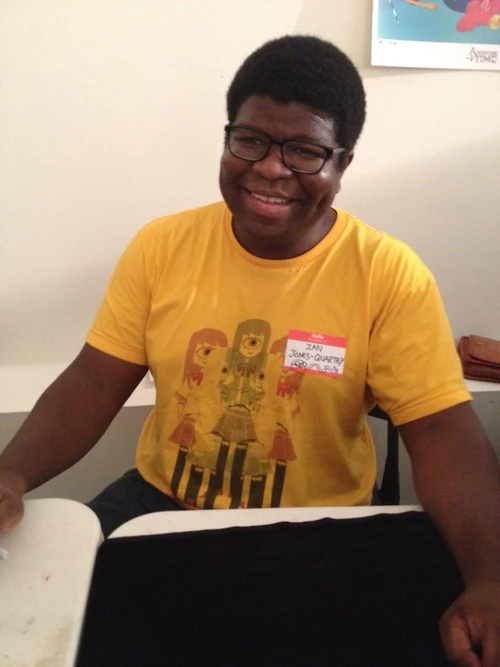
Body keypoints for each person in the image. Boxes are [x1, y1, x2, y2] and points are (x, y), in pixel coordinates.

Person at [0, 34, 499, 665]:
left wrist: (491, 578)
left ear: (343, 164)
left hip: (319, 524)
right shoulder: (162, 247)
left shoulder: (388, 274)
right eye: (251, 140)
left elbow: (442, 431)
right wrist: (10, 473)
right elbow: (94, 383)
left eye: (304, 151)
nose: (270, 168)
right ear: (228, 138)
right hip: (158, 501)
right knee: (47, 630)